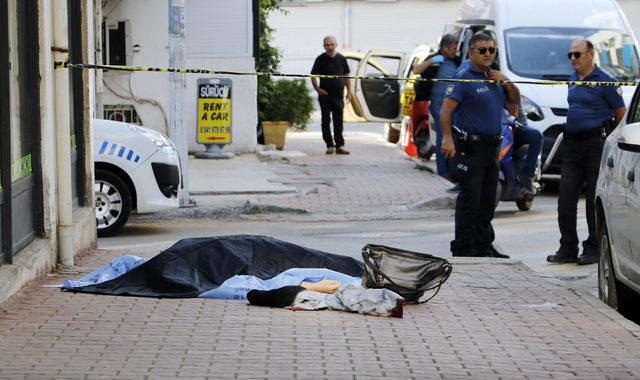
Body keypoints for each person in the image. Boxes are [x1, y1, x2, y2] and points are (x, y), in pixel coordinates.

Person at [440, 32, 521, 258]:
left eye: (491, 50)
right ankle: (464, 248)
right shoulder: (464, 77)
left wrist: (506, 82)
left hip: (493, 148)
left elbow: (515, 100)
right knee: (470, 200)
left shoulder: (494, 76)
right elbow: (446, 110)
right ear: (471, 52)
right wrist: (447, 139)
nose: (488, 54)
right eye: (482, 50)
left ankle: (484, 244)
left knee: (487, 202)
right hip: (471, 149)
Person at [547, 38, 626, 265]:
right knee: (566, 200)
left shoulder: (605, 82)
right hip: (571, 146)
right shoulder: (572, 79)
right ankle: (567, 248)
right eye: (570, 55)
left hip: (594, 145)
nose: (572, 59)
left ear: (591, 54)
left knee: (593, 199)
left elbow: (620, 113)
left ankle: (592, 248)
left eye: (577, 54)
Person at [412, 34, 461, 181]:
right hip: (438, 104)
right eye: (453, 48)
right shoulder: (435, 59)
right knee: (443, 135)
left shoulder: (456, 61)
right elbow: (416, 70)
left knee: (452, 136)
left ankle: (452, 170)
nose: (455, 50)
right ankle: (443, 171)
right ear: (444, 48)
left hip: (453, 105)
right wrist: (432, 61)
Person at [311, 36, 353, 155]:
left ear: (336, 45)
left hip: (338, 96)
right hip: (325, 96)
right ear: (324, 46)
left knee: (338, 121)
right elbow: (313, 75)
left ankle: (339, 146)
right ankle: (329, 145)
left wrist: (349, 92)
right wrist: (318, 90)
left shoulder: (341, 59)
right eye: (327, 45)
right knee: (325, 120)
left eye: (332, 44)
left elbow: (347, 76)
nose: (330, 47)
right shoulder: (320, 59)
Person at [507, 103, 543, 195]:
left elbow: (521, 120)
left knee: (537, 135)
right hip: (496, 130)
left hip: (515, 128)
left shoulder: (512, 91)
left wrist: (514, 122)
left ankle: (526, 176)